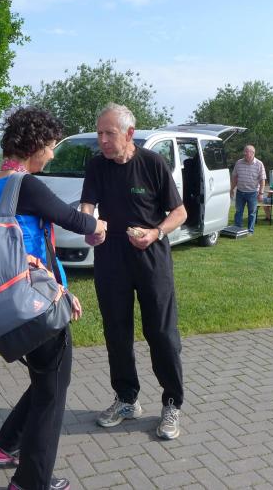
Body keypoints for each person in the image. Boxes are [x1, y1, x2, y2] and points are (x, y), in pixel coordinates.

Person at [0, 107, 106, 490]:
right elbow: (72, 219)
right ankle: (31, 481)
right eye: (51, 146)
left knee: (44, 380)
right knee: (52, 392)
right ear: (34, 145)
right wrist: (100, 224)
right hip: (36, 302)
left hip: (14, 299)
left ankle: (7, 445)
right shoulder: (26, 184)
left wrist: (63, 289)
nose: (52, 154)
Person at [80, 103, 188, 440]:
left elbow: (180, 212)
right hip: (111, 258)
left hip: (151, 258)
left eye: (109, 133)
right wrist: (89, 227)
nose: (102, 140)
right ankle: (126, 399)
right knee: (117, 332)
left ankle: (171, 403)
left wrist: (155, 233)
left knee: (162, 334)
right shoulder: (97, 166)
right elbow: (87, 205)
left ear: (129, 133)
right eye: (99, 133)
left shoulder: (152, 163)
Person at [230, 145, 266, 234]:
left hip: (253, 193)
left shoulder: (259, 164)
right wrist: (232, 189)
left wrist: (261, 193)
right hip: (240, 192)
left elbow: (262, 180)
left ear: (253, 153)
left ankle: (250, 231)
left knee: (252, 213)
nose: (244, 153)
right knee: (238, 211)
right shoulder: (239, 163)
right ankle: (237, 229)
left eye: (247, 152)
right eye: (244, 151)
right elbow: (234, 177)